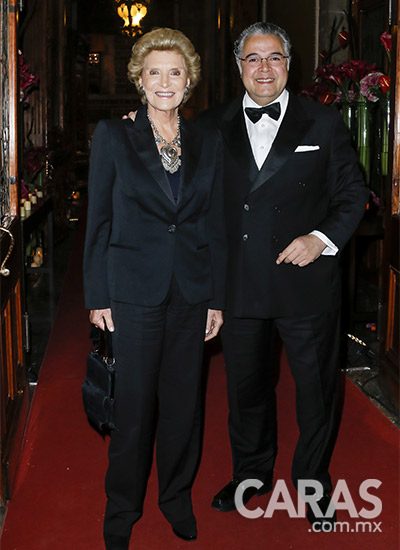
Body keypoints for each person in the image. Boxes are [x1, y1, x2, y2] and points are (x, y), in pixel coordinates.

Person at [198, 21, 368, 526]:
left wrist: (320, 239)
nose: (264, 68)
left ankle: (313, 484)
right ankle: (251, 475)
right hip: (241, 284)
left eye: (274, 57)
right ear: (239, 67)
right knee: (245, 390)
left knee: (316, 391)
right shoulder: (210, 125)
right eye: (253, 58)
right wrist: (136, 125)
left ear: (289, 65)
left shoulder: (323, 123)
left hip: (306, 284)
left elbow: (353, 193)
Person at [83, 27, 226, 549]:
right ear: (139, 80)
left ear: (189, 81)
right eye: (154, 73)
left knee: (184, 407)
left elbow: (215, 224)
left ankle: (175, 499)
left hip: (191, 292)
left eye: (175, 73)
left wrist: (216, 298)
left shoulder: (207, 141)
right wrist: (97, 296)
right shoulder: (113, 136)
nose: (165, 82)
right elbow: (98, 220)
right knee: (133, 409)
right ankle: (120, 511)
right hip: (132, 291)